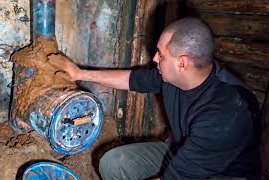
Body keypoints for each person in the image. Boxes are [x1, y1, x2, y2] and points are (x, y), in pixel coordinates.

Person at [49, 18, 261, 180]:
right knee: (114, 163)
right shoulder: (172, 76)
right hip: (182, 150)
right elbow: (132, 80)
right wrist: (80, 74)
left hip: (223, 173)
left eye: (161, 54)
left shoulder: (227, 114)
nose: (154, 58)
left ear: (182, 63)